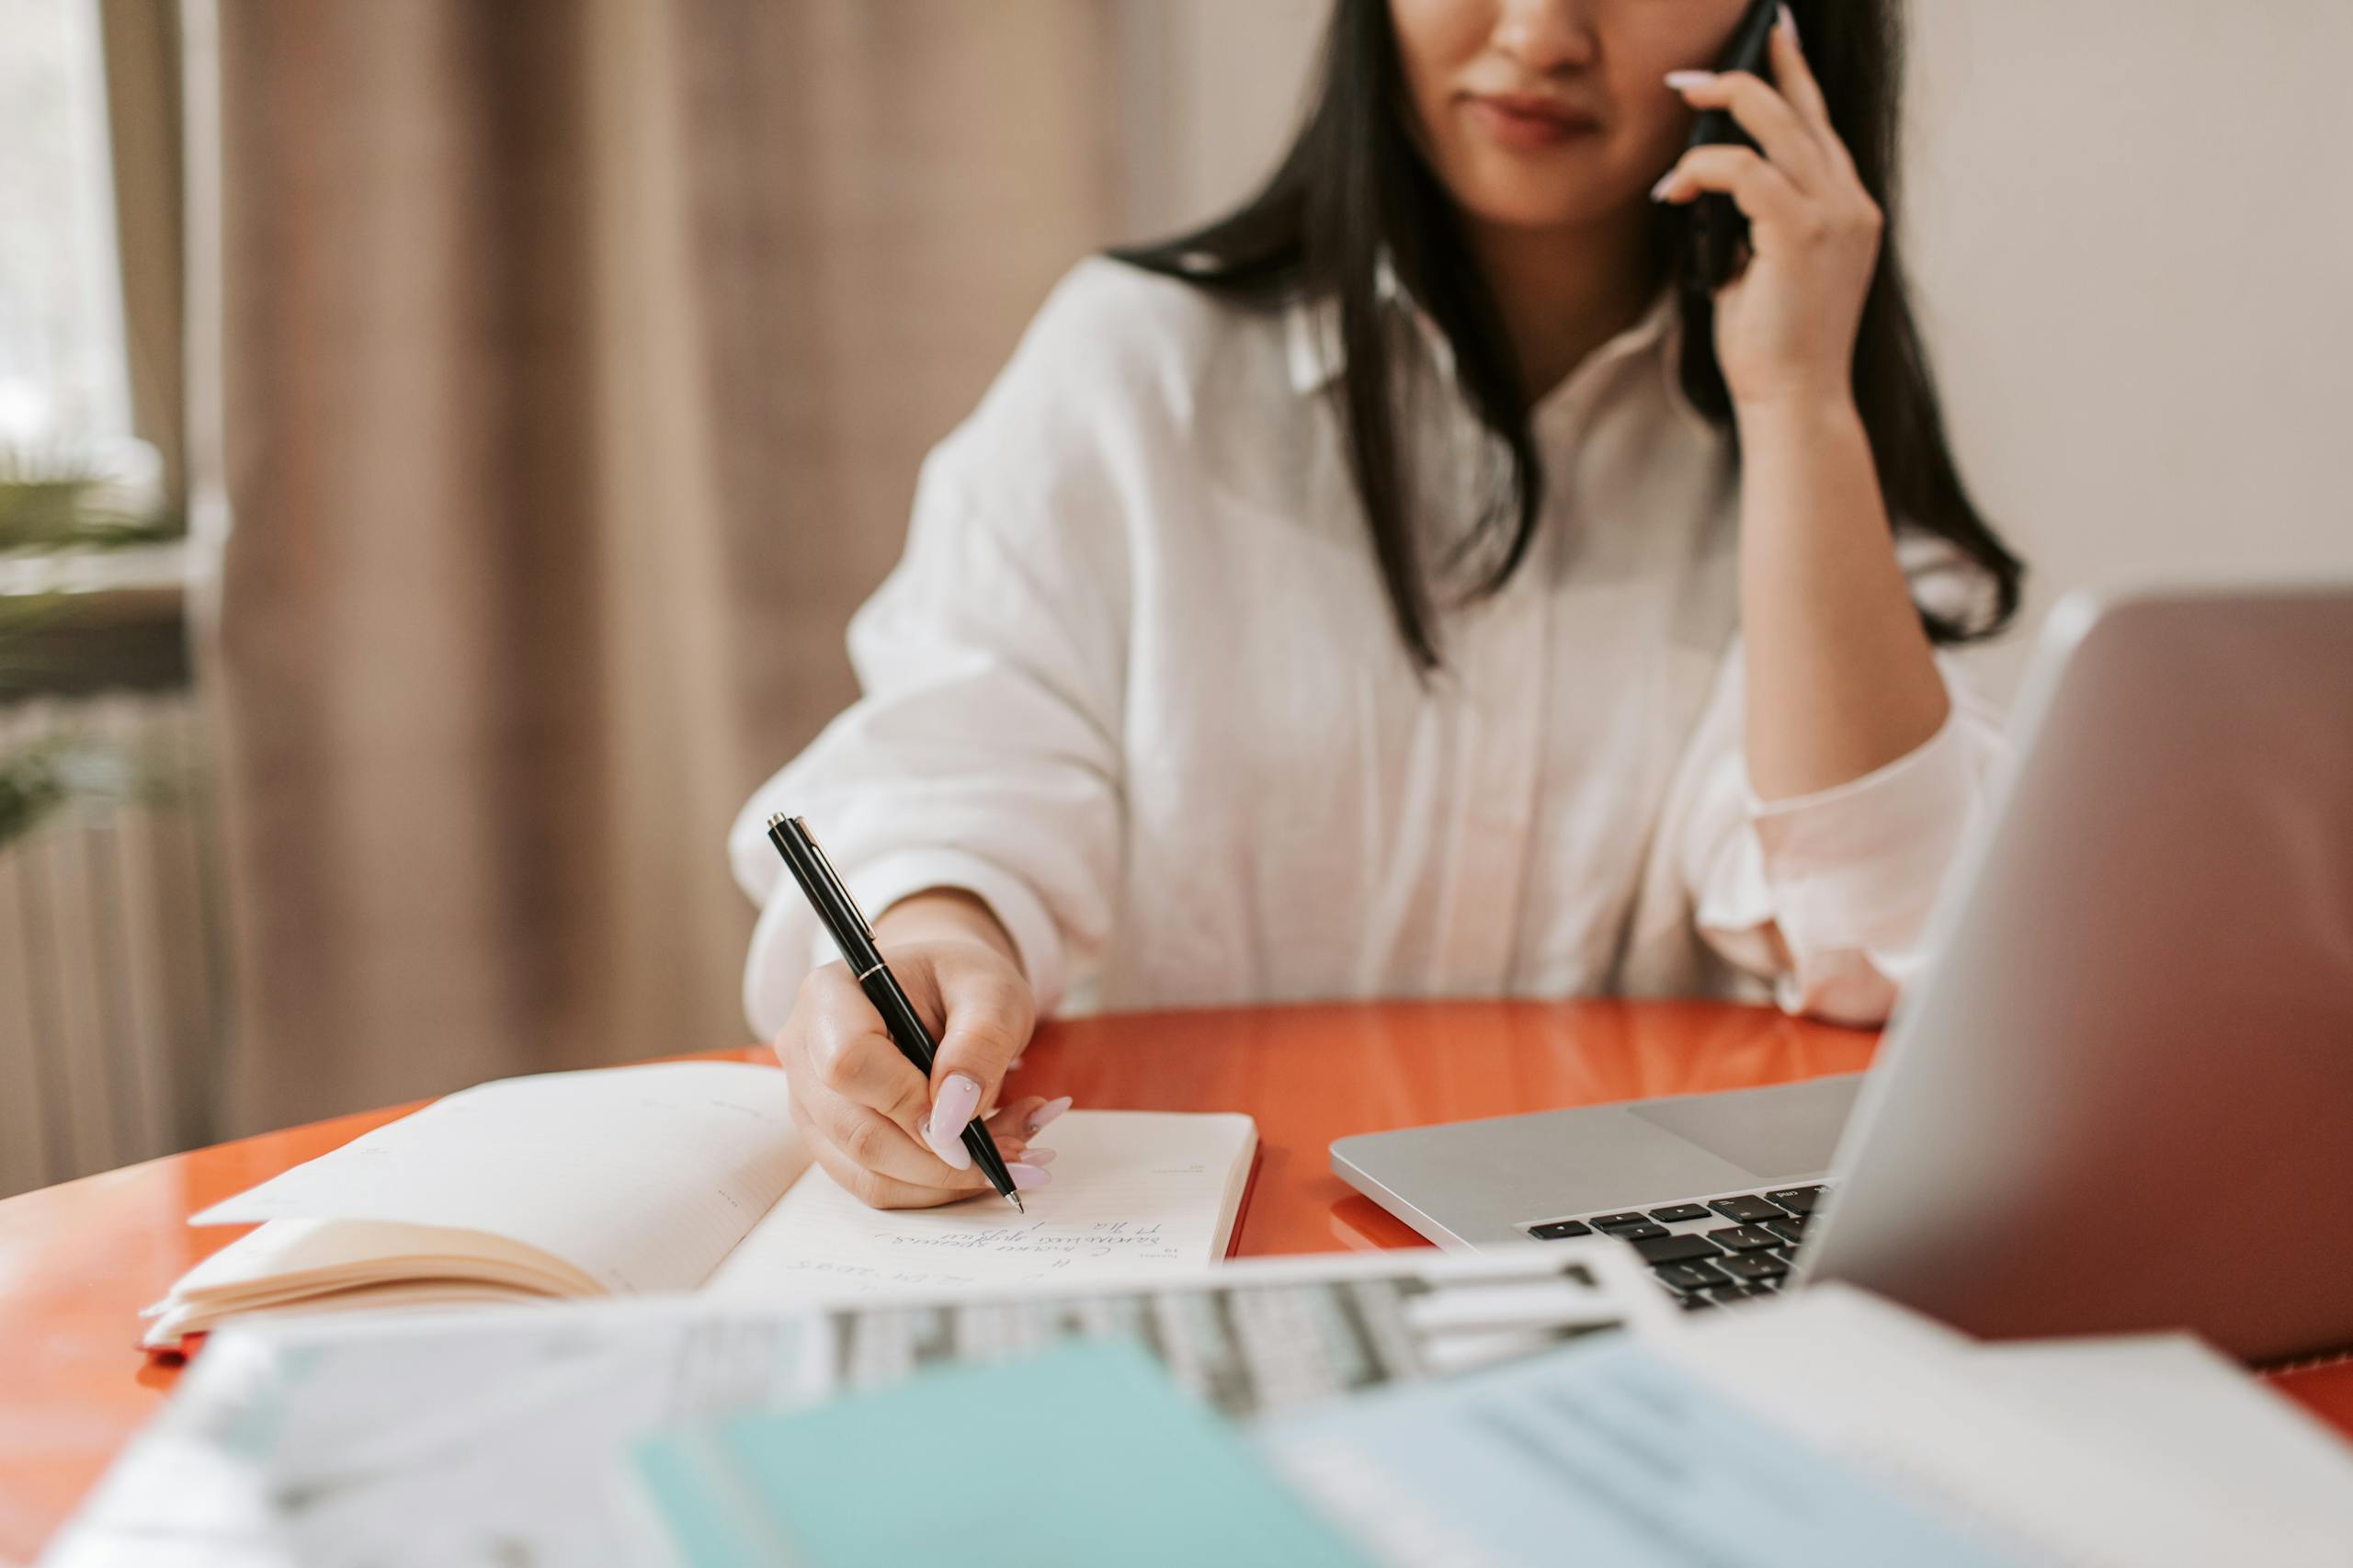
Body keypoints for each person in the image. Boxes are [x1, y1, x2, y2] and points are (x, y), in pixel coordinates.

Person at [729, 0, 2025, 1210]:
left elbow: (1888, 947)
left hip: (1621, 1271)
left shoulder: (1802, 444)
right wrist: (937, 936)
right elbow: (960, 774)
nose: (1540, 33)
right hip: (1201, 1239)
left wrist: (1800, 404)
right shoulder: (1136, 371)